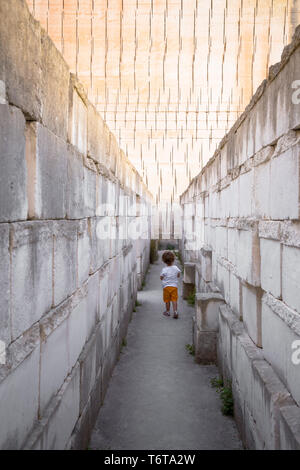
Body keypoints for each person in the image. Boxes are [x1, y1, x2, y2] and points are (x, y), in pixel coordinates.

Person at [160, 251, 181, 319]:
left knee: (167, 300)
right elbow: (178, 275)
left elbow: (161, 278)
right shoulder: (176, 268)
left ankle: (168, 311)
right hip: (174, 287)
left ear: (164, 261)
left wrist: (163, 277)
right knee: (174, 300)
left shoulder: (164, 270)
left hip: (166, 287)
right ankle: (175, 311)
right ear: (173, 259)